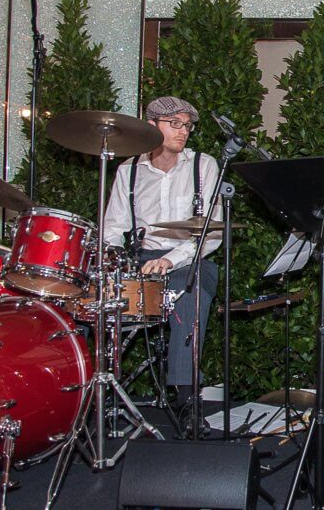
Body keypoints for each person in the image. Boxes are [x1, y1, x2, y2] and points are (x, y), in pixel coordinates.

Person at [103, 96, 221, 433]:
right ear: (151, 125)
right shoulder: (129, 170)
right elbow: (113, 228)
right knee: (97, 300)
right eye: (175, 124)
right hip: (140, 258)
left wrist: (170, 260)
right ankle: (94, 394)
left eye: (188, 125)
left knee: (189, 293)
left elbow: (211, 233)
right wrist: (117, 263)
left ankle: (187, 400)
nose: (184, 131)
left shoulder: (204, 166)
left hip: (190, 258)